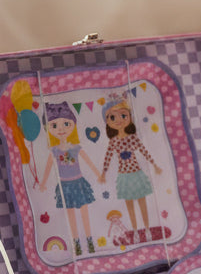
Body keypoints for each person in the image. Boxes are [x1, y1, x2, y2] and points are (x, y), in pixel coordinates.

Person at [37, 101, 103, 256]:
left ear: (73, 125)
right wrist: (44, 183)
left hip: (78, 182)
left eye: (66, 124)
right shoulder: (53, 151)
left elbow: (88, 161)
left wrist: (98, 174)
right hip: (65, 186)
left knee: (84, 213)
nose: (60, 129)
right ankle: (76, 243)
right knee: (71, 215)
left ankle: (89, 240)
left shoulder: (76, 148)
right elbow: (48, 168)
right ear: (48, 129)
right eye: (54, 126)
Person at [100, 92, 162, 240]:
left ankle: (146, 229)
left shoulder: (133, 138)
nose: (119, 120)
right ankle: (134, 231)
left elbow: (144, 151)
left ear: (129, 117)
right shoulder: (113, 141)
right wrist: (103, 173)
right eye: (112, 117)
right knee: (130, 206)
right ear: (107, 122)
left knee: (142, 203)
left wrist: (154, 165)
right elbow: (108, 157)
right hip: (124, 176)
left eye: (123, 115)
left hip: (136, 173)